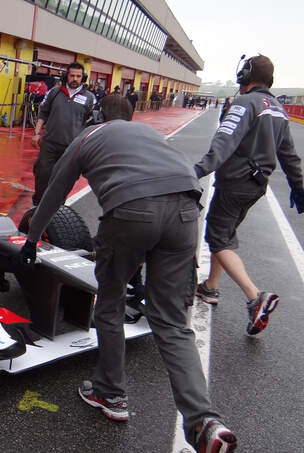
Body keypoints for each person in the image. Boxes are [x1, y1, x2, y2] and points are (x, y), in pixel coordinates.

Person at [17, 94, 236, 452]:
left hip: (131, 211)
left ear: (98, 114)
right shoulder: (149, 135)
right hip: (185, 213)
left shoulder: (88, 136)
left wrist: (31, 240)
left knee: (110, 305)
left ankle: (110, 394)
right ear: (131, 116)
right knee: (173, 323)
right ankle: (204, 420)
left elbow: (55, 194)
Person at [194, 55, 304, 336]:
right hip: (256, 187)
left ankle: (256, 297)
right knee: (225, 236)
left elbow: (224, 140)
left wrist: (194, 171)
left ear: (246, 75)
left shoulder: (245, 103)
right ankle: (210, 287)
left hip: (234, 183)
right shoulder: (278, 109)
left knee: (218, 237)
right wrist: (299, 188)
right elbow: (289, 156)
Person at [31, 61, 95, 205]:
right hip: (49, 144)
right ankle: (36, 205)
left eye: (78, 76)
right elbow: (43, 113)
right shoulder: (54, 92)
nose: (75, 79)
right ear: (66, 76)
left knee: (64, 178)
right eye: (72, 75)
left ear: (83, 78)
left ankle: (57, 207)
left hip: (71, 147)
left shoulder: (89, 98)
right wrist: (36, 132)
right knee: (42, 173)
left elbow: (91, 123)